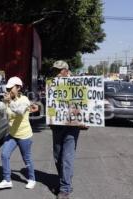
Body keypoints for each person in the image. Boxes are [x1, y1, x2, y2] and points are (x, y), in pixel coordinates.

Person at [0, 76, 36, 190]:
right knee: (4, 155)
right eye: (8, 88)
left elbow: (20, 111)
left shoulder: (24, 100)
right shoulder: (7, 100)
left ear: (19, 88)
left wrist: (9, 101)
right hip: (12, 134)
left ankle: (32, 179)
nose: (9, 90)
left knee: (26, 158)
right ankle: (7, 180)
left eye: (11, 87)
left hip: (24, 135)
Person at [50, 60, 82, 199]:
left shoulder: (77, 84)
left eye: (59, 70)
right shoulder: (51, 85)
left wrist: (82, 118)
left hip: (71, 127)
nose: (56, 73)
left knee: (66, 157)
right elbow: (50, 105)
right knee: (58, 157)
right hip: (57, 126)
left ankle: (65, 189)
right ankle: (65, 181)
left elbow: (85, 105)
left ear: (66, 71)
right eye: (54, 71)